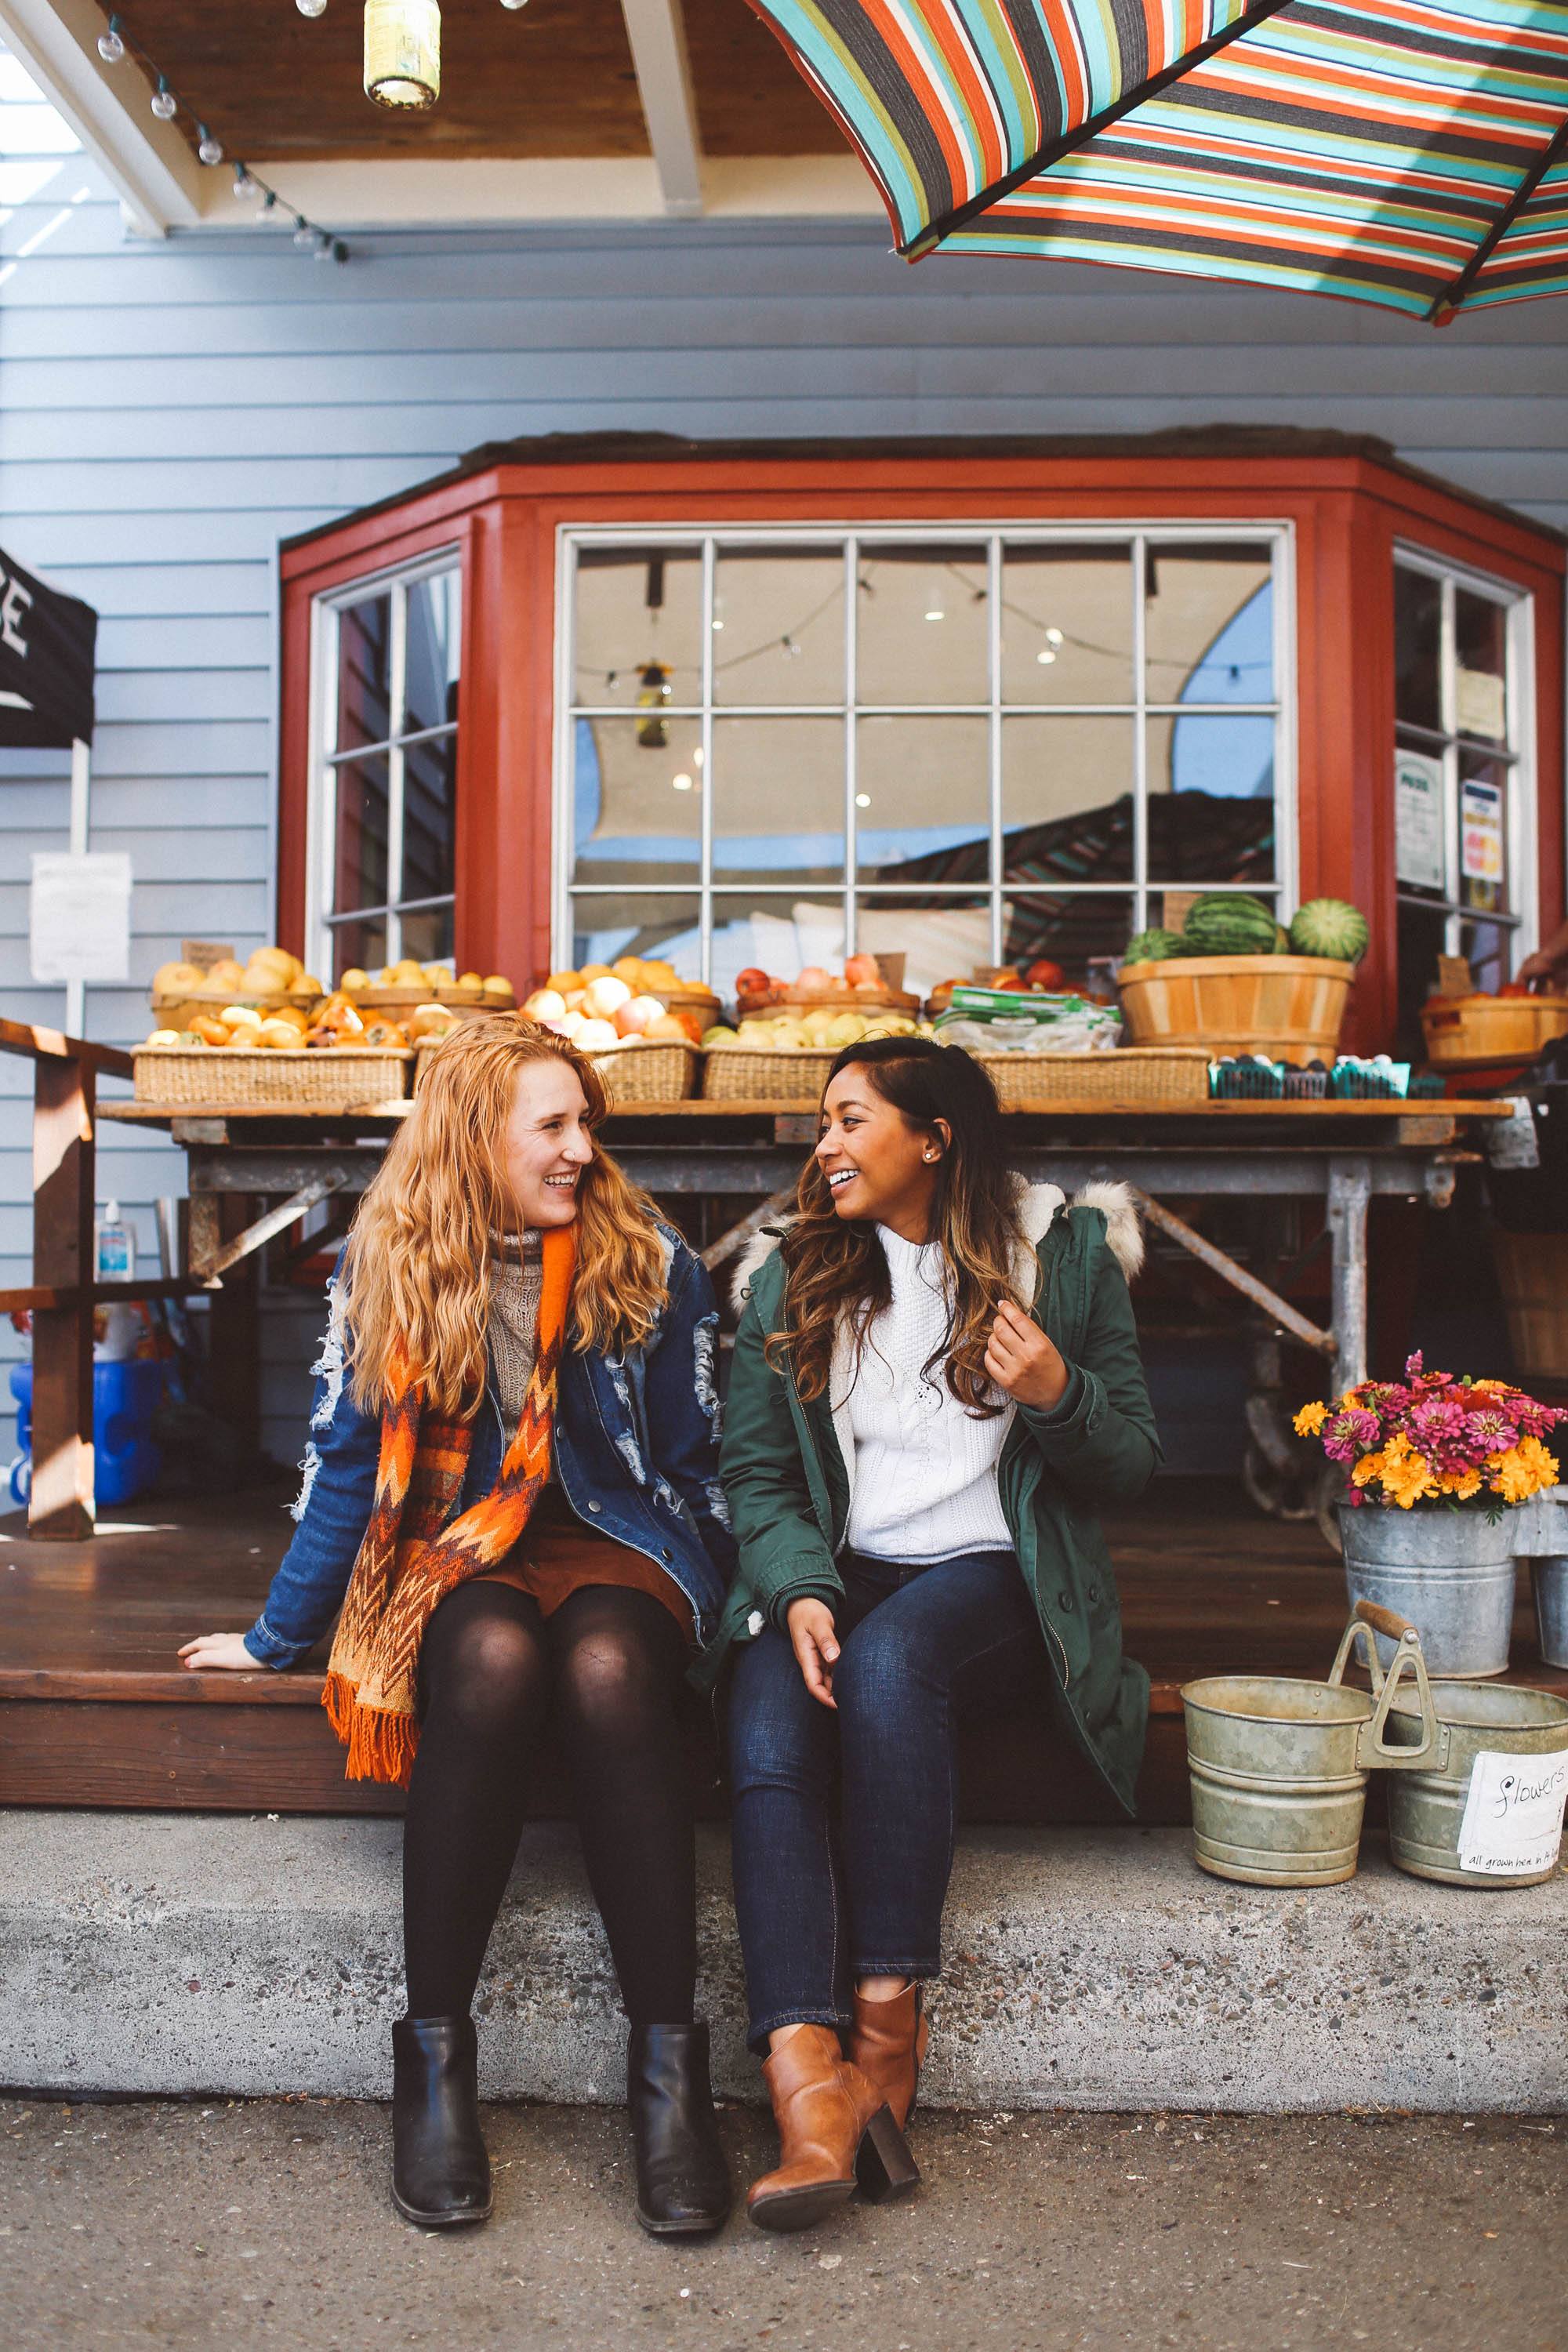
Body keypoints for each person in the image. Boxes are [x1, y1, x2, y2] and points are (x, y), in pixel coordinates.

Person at [181, 1017, 735, 2237]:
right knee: (488, 1659)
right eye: (554, 1125)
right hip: (463, 1541)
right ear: (475, 1138)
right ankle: (434, 2070)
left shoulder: (650, 1257)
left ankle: (669, 2081)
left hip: (617, 1536)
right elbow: (348, 1467)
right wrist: (278, 1637)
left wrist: (735, 1609)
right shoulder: (390, 1263)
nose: (582, 1148)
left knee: (606, 1669)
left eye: (587, 1122)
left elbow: (698, 1463)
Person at [701, 1036, 1158, 2232]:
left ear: (935, 1138)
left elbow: (1131, 1463)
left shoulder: (1063, 1256)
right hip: (839, 1569)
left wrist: (1057, 1392)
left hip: (996, 1571)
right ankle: (807, 2080)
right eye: (823, 1123)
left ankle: (886, 2036)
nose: (826, 1146)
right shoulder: (793, 1271)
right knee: (767, 1723)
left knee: (895, 1665)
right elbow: (758, 1472)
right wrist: (799, 1585)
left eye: (851, 1120)